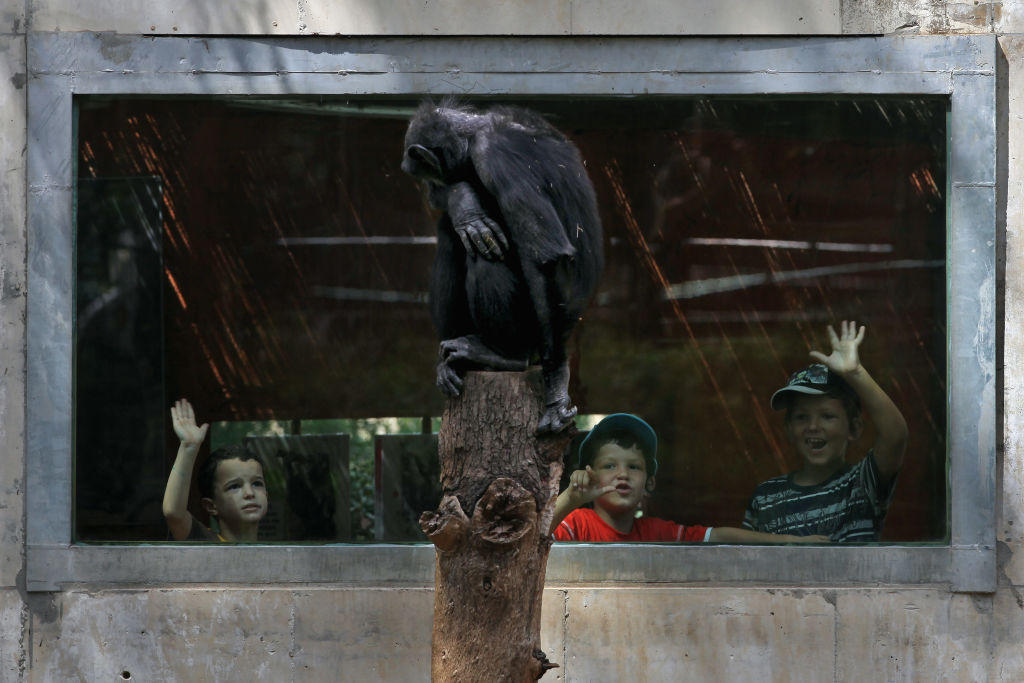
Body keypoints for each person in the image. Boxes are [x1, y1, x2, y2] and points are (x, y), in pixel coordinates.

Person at [742, 320, 909, 542]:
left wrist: (856, 373)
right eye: (802, 417)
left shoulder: (862, 484)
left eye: (827, 416)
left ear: (854, 428)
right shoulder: (765, 497)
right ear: (789, 429)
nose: (813, 426)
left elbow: (896, 435)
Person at [550, 413, 825, 543]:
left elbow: (716, 536)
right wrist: (571, 499)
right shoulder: (577, 523)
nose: (622, 474)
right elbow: (539, 537)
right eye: (610, 466)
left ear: (650, 484)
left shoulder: (655, 532)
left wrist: (792, 541)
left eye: (634, 467)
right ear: (589, 474)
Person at [162, 398, 268, 542]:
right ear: (211, 506)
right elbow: (174, 513)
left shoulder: (277, 550)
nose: (249, 493)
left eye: (257, 483)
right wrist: (188, 447)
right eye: (235, 486)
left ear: (267, 494)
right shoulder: (205, 541)